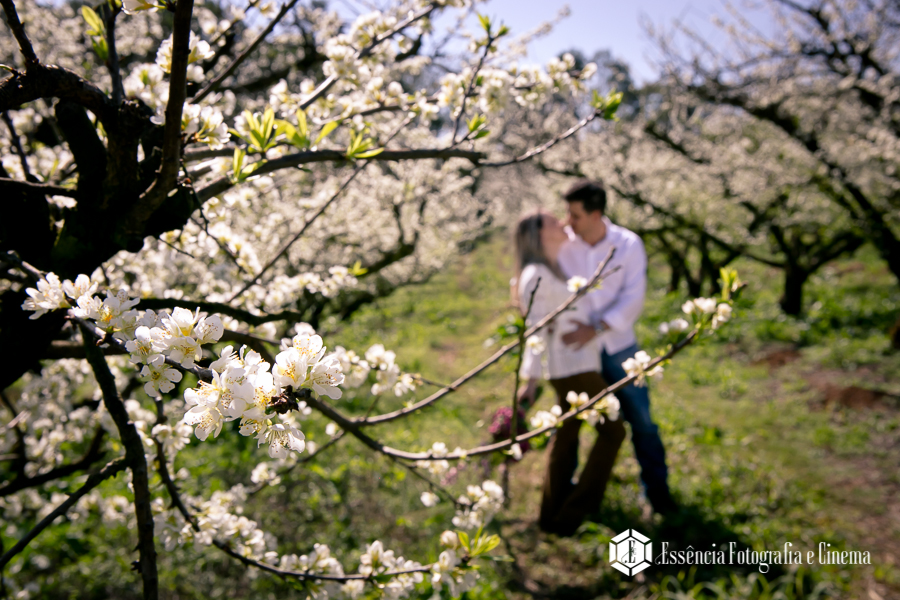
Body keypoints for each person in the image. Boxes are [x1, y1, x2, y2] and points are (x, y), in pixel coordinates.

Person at [557, 179, 678, 515]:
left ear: (596, 214)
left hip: (618, 347)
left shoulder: (627, 244)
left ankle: (657, 494)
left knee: (641, 420)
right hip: (575, 352)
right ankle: (568, 492)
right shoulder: (565, 246)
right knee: (572, 422)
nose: (568, 222)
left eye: (575, 215)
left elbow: (632, 299)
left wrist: (594, 329)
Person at [514, 211, 626, 536]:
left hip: (577, 363)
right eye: (552, 222)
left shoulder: (551, 268)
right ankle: (575, 510)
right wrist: (530, 380)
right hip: (569, 367)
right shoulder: (535, 273)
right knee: (613, 431)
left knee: (567, 435)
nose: (561, 223)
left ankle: (553, 516)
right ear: (538, 234)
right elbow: (534, 330)